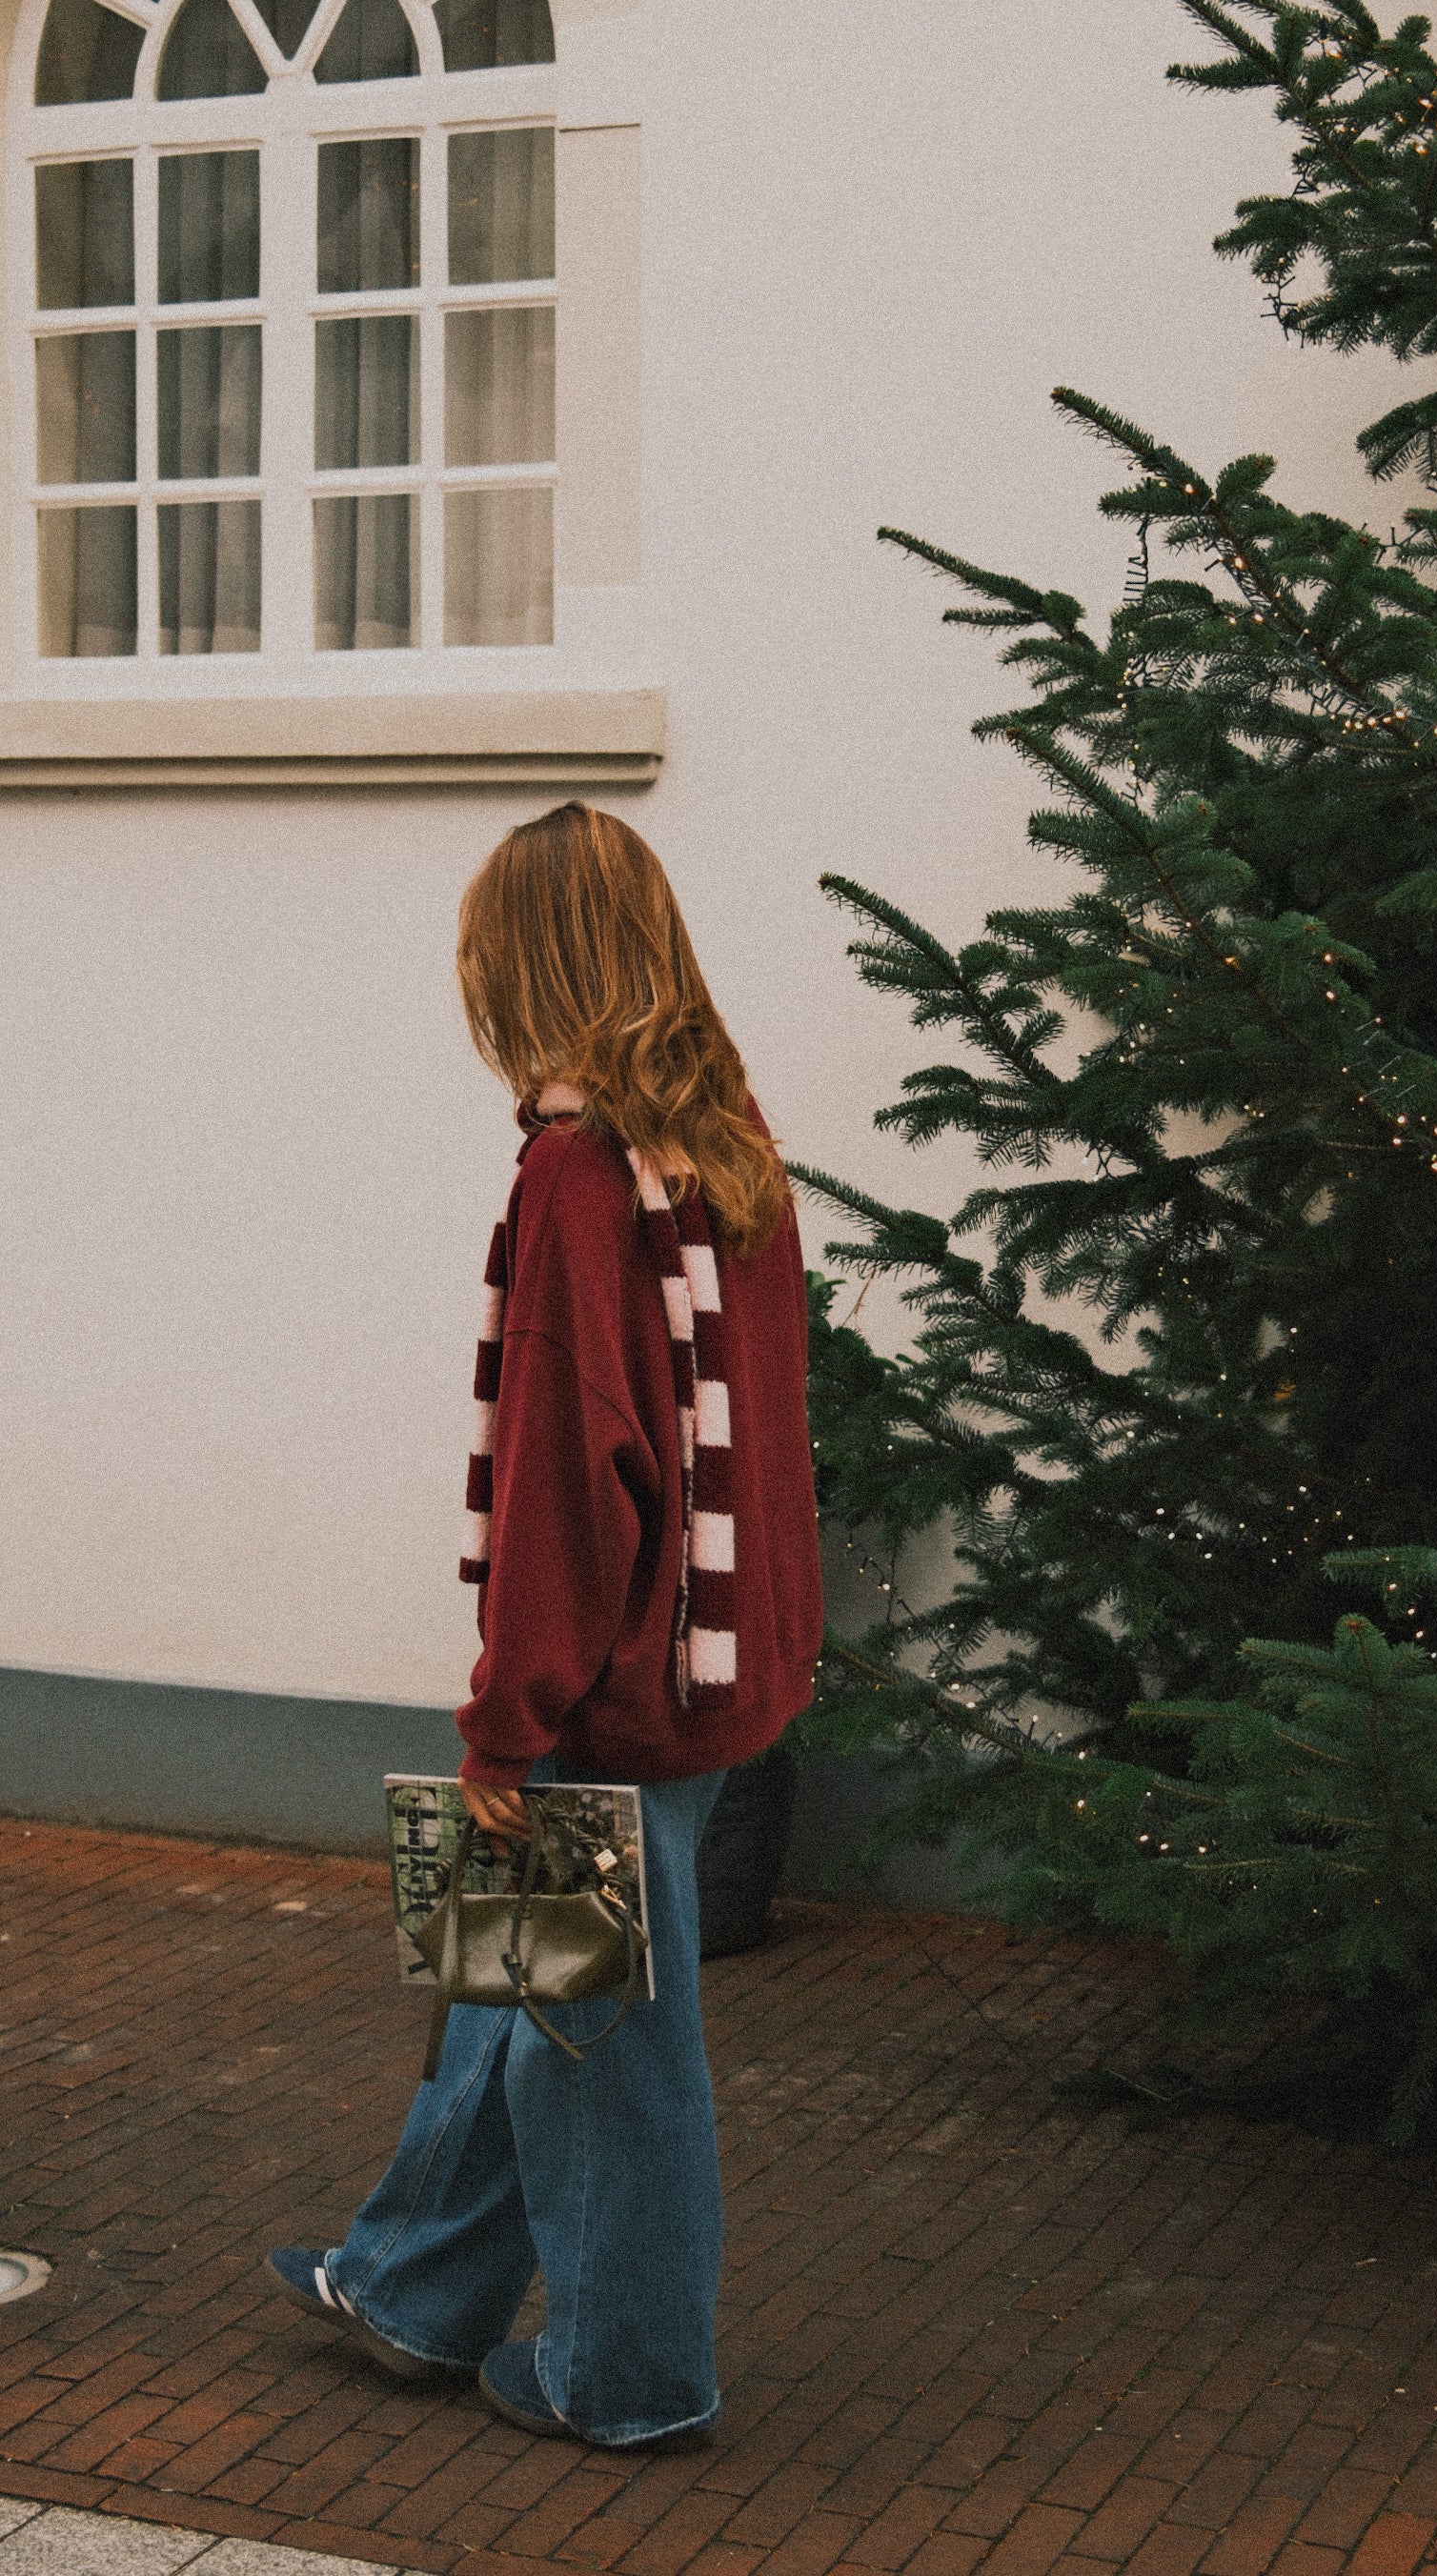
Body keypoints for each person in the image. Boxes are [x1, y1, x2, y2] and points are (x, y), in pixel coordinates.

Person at [265, 803, 823, 2448]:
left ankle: (629, 2381)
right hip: (719, 1669)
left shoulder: (578, 1176)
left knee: (604, 2048)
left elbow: (574, 1488)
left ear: (527, 968)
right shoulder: (726, 1147)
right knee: (529, 1985)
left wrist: (509, 1716)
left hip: (614, 1688)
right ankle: (417, 2292)